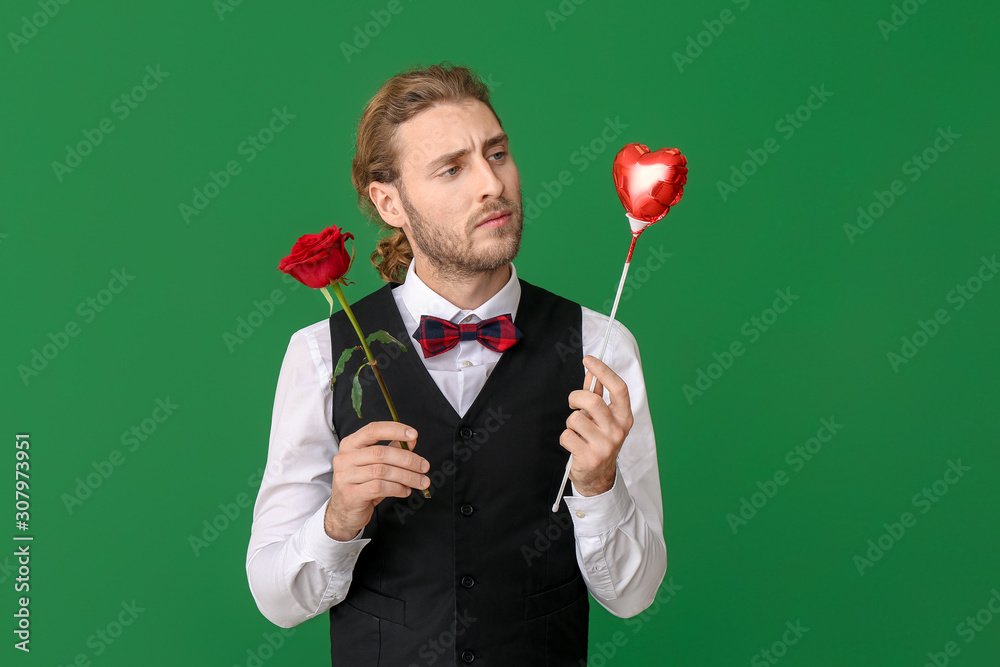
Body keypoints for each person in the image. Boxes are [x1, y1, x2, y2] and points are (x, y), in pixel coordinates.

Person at [246, 62, 666, 666]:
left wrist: (599, 486)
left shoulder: (602, 349)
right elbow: (276, 601)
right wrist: (339, 517)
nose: (491, 185)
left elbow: (633, 594)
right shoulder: (320, 353)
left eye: (496, 155)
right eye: (452, 168)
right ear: (389, 202)